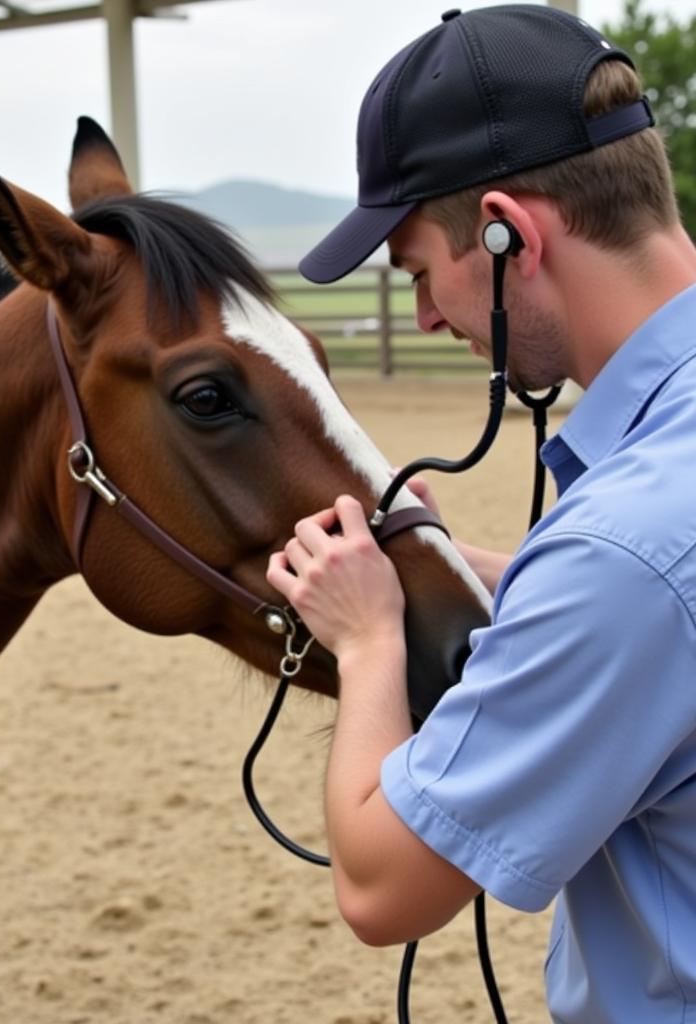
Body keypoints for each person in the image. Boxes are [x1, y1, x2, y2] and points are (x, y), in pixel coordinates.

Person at [264, 5, 696, 1021]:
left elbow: (381, 885)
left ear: (510, 233)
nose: (419, 315)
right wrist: (485, 569)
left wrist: (368, 637)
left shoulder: (622, 552)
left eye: (416, 271)